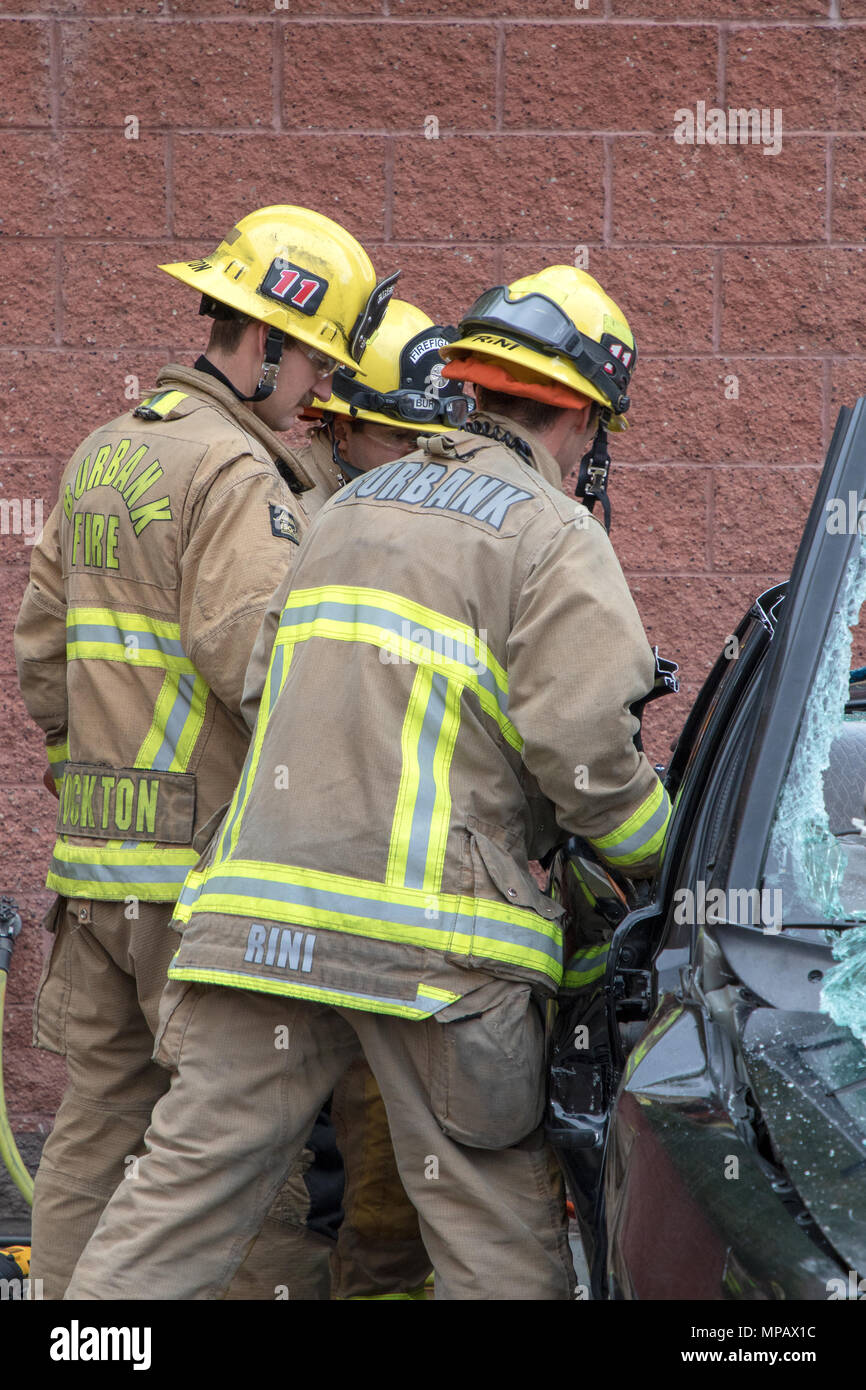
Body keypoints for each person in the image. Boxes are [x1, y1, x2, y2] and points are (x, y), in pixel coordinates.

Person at [66, 264, 671, 1301]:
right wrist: (665, 858)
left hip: (256, 928)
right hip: (434, 955)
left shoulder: (342, 508)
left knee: (177, 1204)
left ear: (472, 388)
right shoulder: (549, 534)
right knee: (488, 1227)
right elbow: (583, 753)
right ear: (577, 418)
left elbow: (264, 678)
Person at [13, 203, 395, 1299]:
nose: (322, 387)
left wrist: (91, 781)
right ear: (266, 341)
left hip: (95, 876)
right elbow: (258, 662)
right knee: (234, 1155)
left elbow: (43, 659)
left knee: (93, 1132)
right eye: (316, 359)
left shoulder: (104, 451)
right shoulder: (235, 474)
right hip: (199, 890)